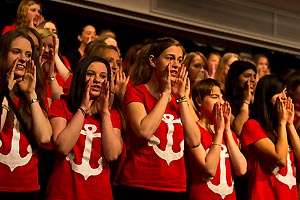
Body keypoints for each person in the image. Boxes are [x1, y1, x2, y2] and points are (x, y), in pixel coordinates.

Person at [118, 37, 200, 200]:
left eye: (179, 60)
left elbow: (195, 140)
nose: (176, 64)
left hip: (175, 186)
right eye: (170, 58)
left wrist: (182, 98)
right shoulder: (136, 92)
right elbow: (144, 131)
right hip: (140, 183)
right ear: (153, 61)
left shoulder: (182, 97)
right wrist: (166, 93)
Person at [45, 56, 123, 200]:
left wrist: (105, 112)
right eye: (90, 74)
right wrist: (82, 108)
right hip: (63, 194)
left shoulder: (112, 116)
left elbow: (112, 155)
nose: (97, 80)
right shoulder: (61, 107)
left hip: (98, 195)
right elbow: (62, 147)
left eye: (103, 76)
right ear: (80, 77)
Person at [0, 30, 52, 199]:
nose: (23, 58)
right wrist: (6, 92)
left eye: (28, 54)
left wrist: (31, 95)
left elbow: (44, 137)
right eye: (16, 52)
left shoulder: (34, 94)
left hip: (28, 187)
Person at [240, 74, 300, 200]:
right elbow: (280, 158)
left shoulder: (281, 128)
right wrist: (282, 123)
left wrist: (289, 124)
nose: (284, 98)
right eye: (279, 93)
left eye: (285, 93)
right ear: (267, 96)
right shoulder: (252, 126)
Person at [186, 78, 247, 199]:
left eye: (222, 97)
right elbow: (209, 169)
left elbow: (241, 169)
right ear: (199, 101)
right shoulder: (195, 131)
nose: (221, 102)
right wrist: (219, 132)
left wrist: (227, 130)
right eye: (214, 97)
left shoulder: (227, 133)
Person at [225, 60, 257, 136]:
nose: (252, 80)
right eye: (247, 76)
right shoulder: (224, 100)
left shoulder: (256, 102)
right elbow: (238, 130)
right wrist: (245, 102)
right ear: (235, 78)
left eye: (254, 76)